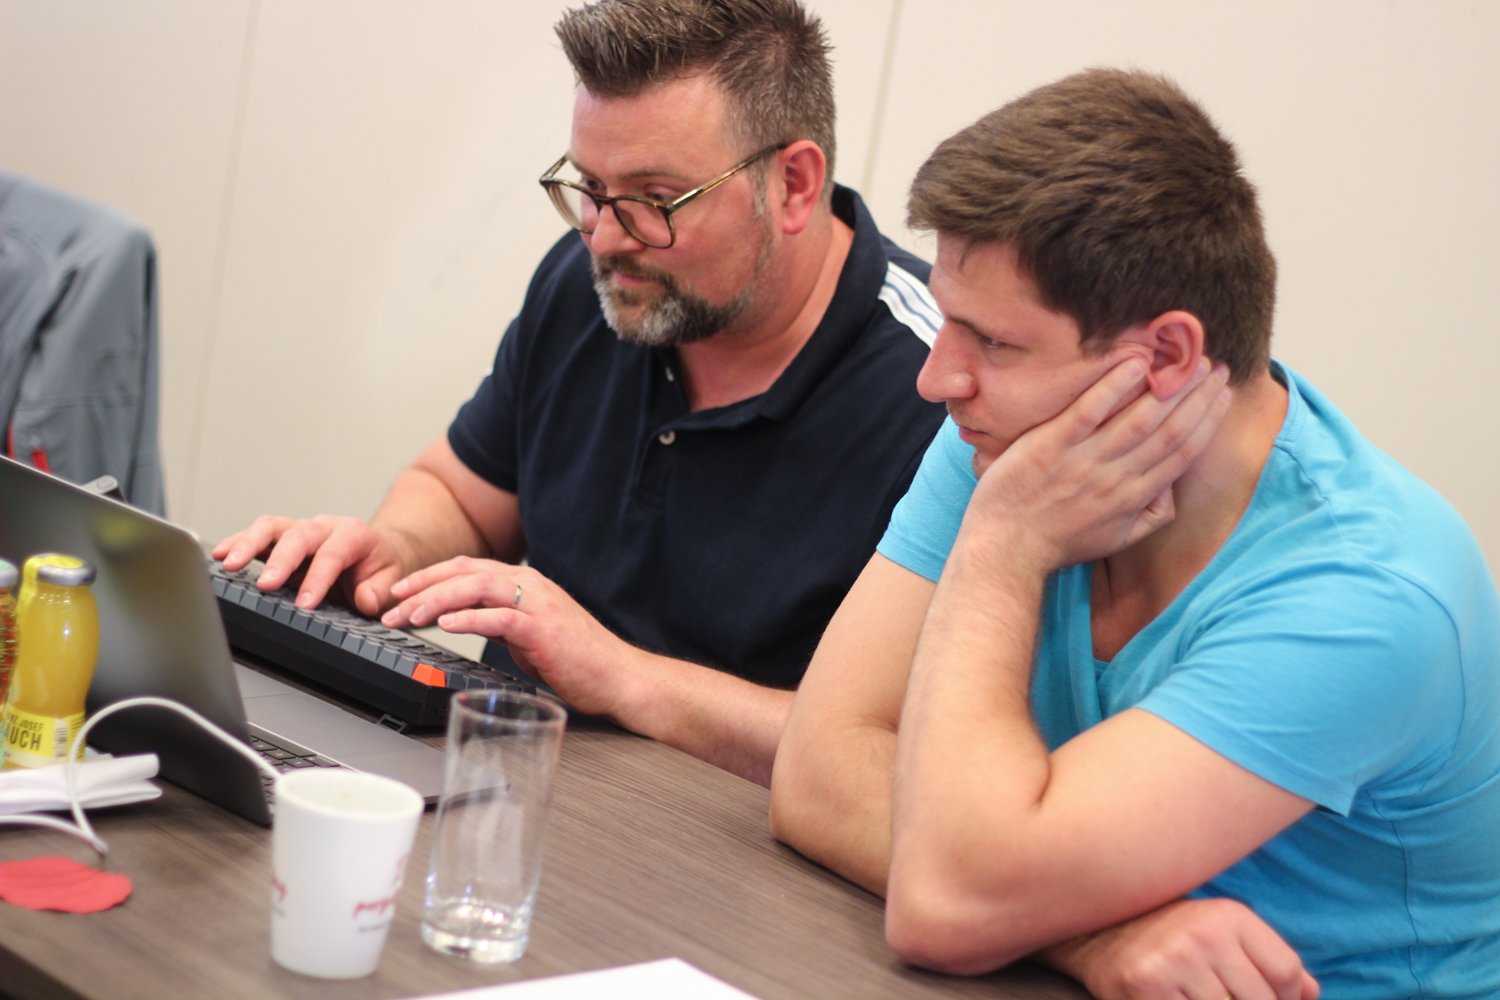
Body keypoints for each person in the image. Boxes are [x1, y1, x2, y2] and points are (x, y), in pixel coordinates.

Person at [769, 67, 1500, 998]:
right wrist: (1092, 935)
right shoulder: (1017, 444)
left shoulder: (1370, 593)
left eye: (991, 341)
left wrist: (999, 553)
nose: (938, 378)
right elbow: (819, 767)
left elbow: (945, 904)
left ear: (1163, 357)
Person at [213, 0, 943, 786]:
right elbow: (460, 493)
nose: (604, 234)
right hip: (504, 784)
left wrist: (623, 676)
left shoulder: (943, 390)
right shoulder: (596, 280)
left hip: (729, 861)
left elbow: (900, 759)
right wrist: (392, 551)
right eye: (590, 187)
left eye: (655, 199)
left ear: (795, 183)